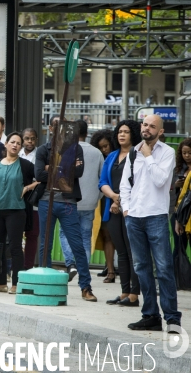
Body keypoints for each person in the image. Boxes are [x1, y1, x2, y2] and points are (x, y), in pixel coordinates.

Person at [121, 114, 181, 332]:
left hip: (156, 215)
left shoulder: (167, 153)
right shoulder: (133, 152)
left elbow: (160, 180)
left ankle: (172, 318)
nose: (146, 129)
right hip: (134, 217)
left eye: (152, 126)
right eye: (145, 125)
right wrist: (127, 209)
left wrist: (148, 156)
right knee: (142, 268)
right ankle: (150, 316)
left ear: (160, 131)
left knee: (164, 268)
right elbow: (125, 184)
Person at [36, 115, 97, 302]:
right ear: (50, 128)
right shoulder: (42, 149)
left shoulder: (75, 148)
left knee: (77, 244)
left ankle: (85, 286)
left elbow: (77, 173)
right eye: (55, 125)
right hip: (47, 201)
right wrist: (65, 168)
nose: (58, 128)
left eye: (61, 125)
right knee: (44, 244)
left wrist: (52, 168)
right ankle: (43, 282)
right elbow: (39, 174)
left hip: (68, 203)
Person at [99, 119, 142, 307]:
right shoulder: (112, 156)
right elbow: (102, 182)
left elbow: (139, 183)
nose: (122, 135)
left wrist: (121, 200)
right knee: (122, 252)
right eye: (119, 132)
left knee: (134, 253)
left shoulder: (137, 155)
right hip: (113, 207)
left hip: (131, 209)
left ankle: (134, 294)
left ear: (133, 133)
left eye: (126, 131)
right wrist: (114, 197)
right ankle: (124, 292)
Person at [0, 132, 36, 294]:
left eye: (18, 143)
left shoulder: (26, 165)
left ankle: (16, 282)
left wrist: (27, 187)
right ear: (6, 144)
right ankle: (1, 281)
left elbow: (41, 180)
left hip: (16, 211)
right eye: (12, 142)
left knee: (15, 247)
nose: (15, 145)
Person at [58, 120, 104, 281]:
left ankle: (70, 264)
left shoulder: (68, 150)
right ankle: (82, 269)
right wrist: (97, 197)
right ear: (87, 132)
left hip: (70, 201)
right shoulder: (97, 153)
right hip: (90, 202)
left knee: (65, 233)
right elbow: (102, 178)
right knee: (85, 236)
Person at [90, 129, 117, 280]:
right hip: (104, 199)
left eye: (106, 146)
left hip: (119, 198)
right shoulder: (99, 158)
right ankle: (110, 270)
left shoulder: (118, 157)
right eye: (100, 147)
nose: (103, 149)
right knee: (107, 235)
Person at [20, 128, 39, 270]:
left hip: (34, 202)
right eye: (27, 138)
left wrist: (27, 187)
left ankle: (27, 267)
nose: (30, 141)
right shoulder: (16, 153)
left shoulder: (40, 155)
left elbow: (42, 179)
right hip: (17, 201)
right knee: (15, 236)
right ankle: (15, 267)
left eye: (32, 138)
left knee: (32, 235)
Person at [172, 138, 191, 258]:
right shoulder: (179, 168)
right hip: (179, 211)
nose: (187, 156)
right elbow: (169, 190)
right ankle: (179, 276)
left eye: (190, 152)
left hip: (189, 212)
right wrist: (176, 185)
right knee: (179, 247)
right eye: (184, 153)